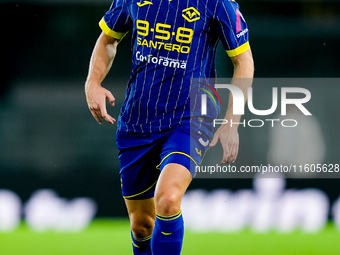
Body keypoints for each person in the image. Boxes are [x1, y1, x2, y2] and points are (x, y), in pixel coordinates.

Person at [85, 0, 254, 254]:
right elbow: (108, 40)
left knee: (168, 199)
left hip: (192, 117)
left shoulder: (217, 3)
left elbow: (244, 61)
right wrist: (93, 83)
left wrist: (232, 121)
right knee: (142, 226)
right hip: (138, 120)